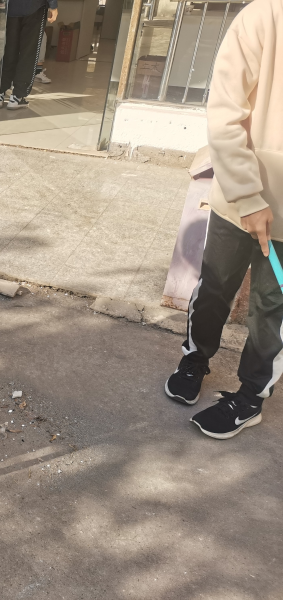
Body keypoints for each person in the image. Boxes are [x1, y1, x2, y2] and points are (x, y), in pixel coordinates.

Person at [164, 0, 282, 440]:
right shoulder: (263, 16)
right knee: (215, 285)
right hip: (238, 197)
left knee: (273, 306)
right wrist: (249, 195)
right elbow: (225, 113)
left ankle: (251, 397)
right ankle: (194, 360)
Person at [0, 0, 57, 109]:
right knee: (28, 52)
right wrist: (53, 5)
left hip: (13, 8)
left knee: (10, 50)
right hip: (34, 7)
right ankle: (17, 96)